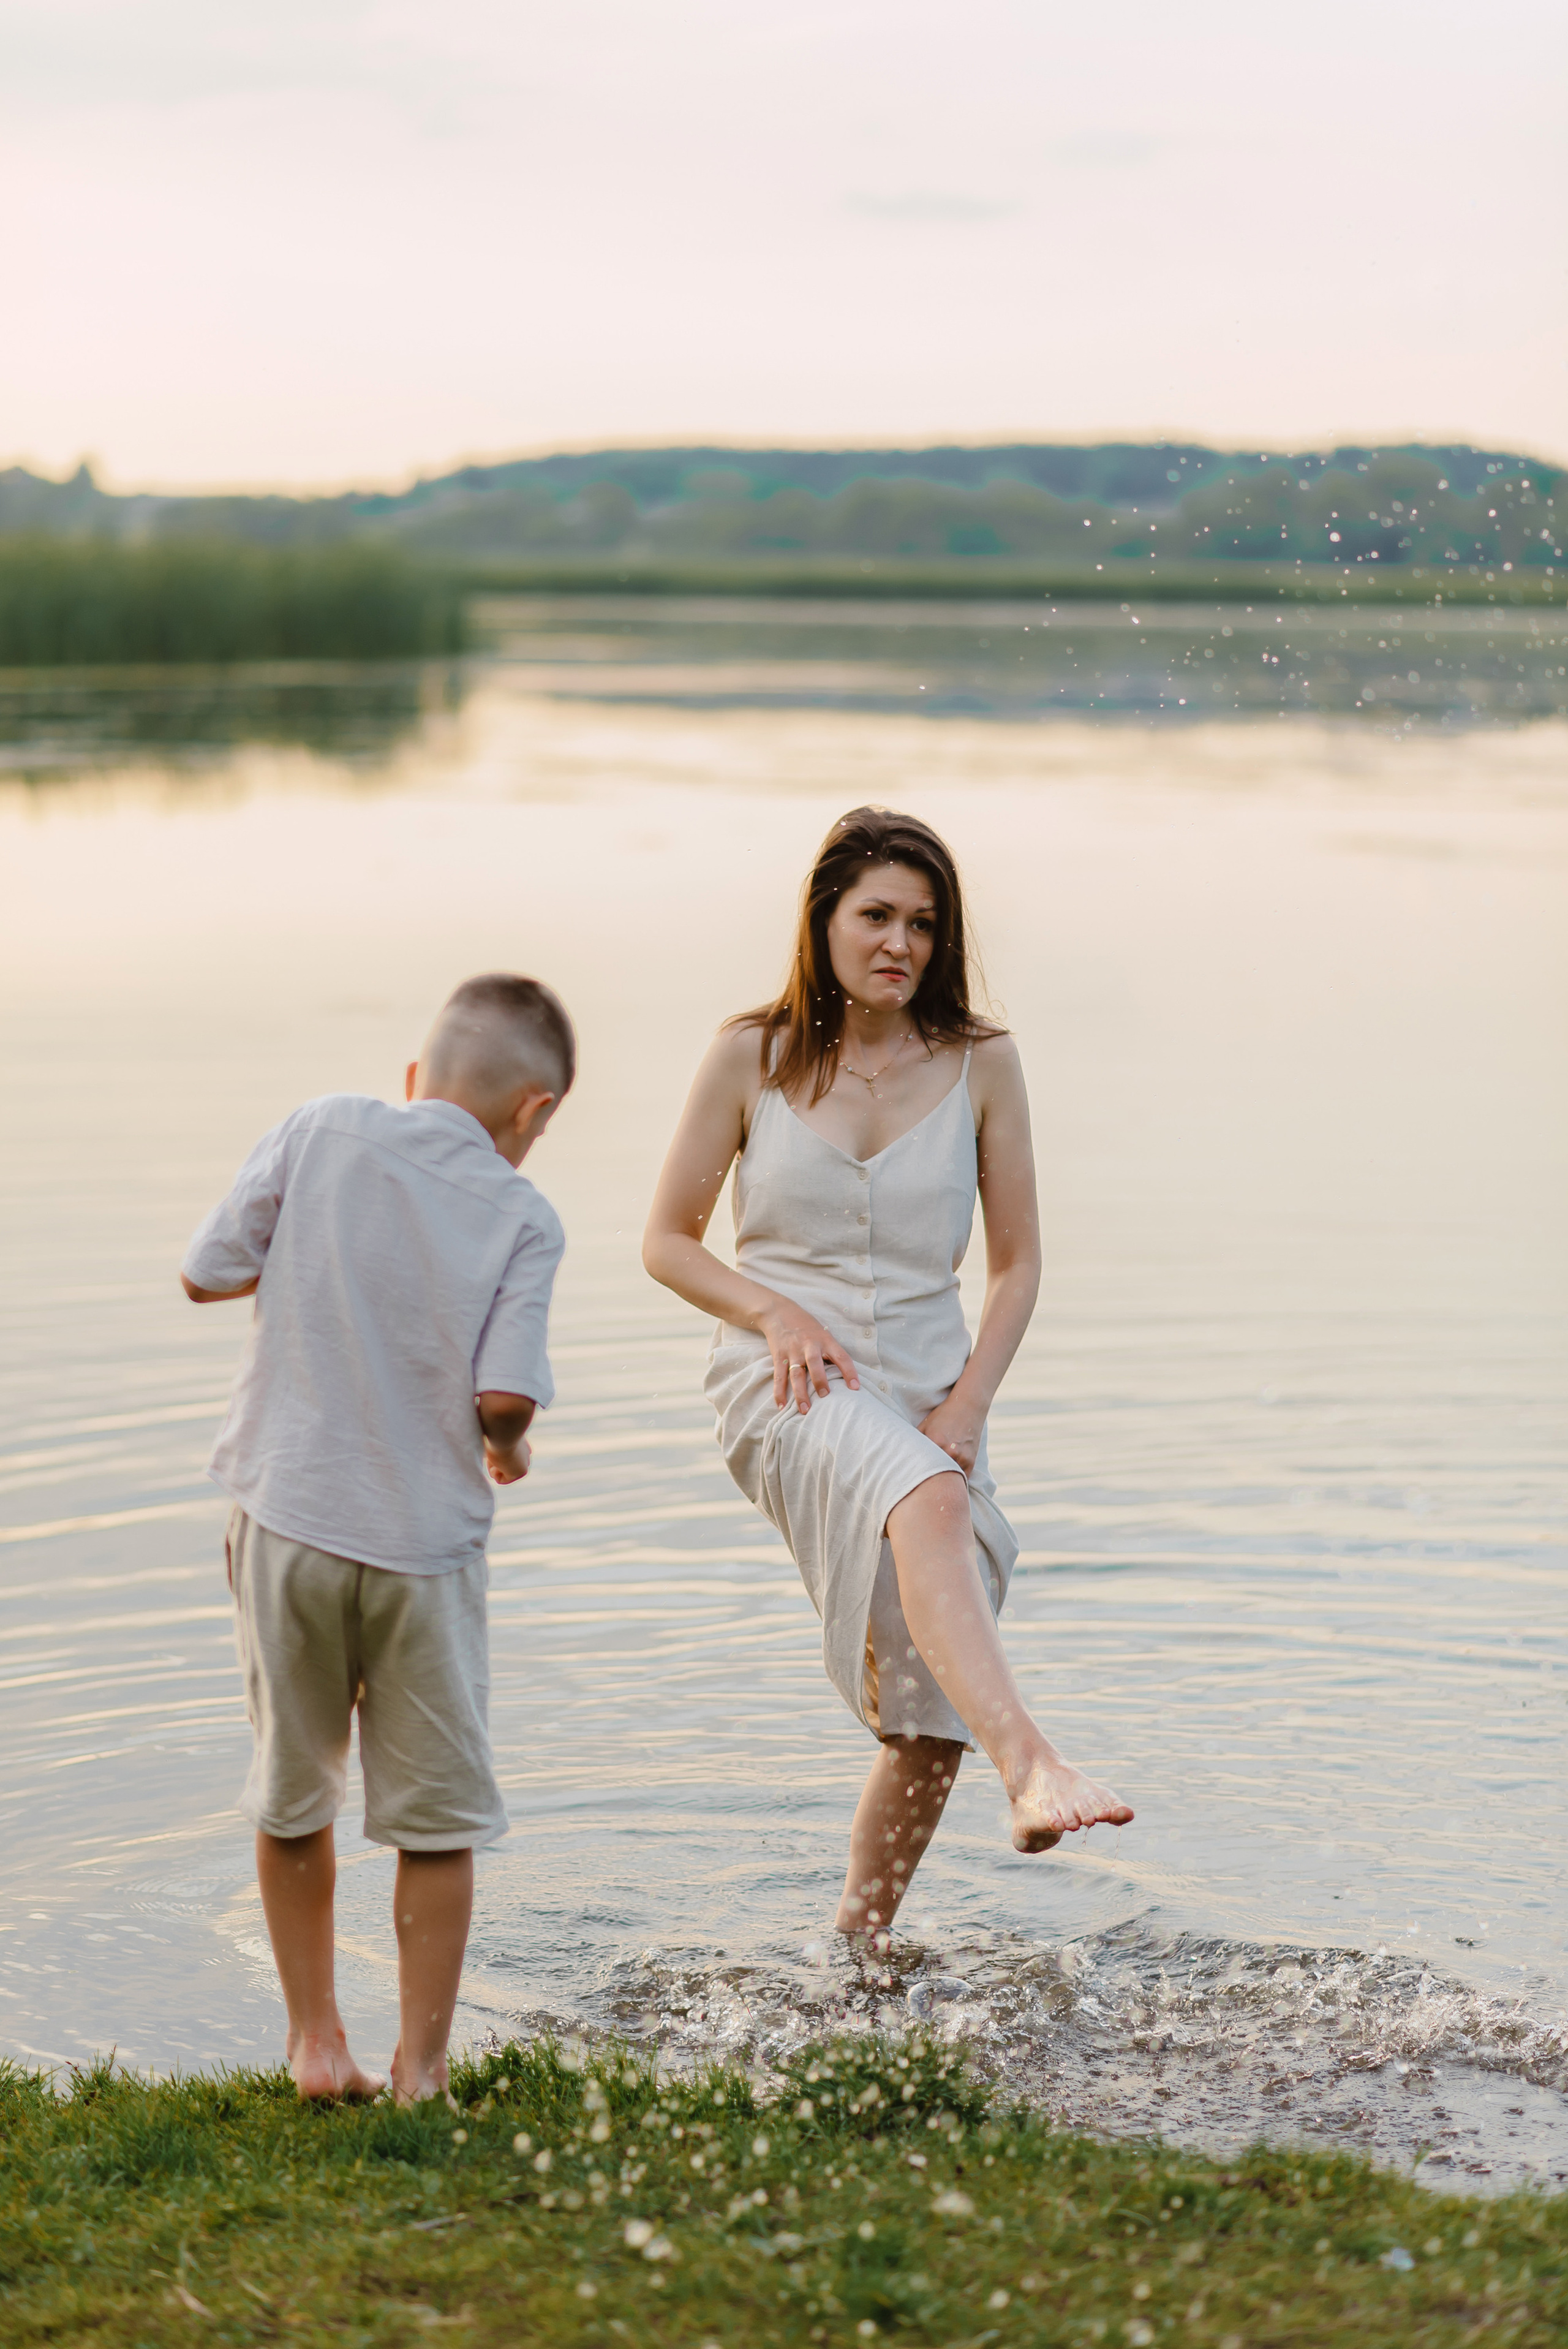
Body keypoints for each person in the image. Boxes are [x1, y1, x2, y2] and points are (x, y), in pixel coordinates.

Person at [644, 808, 1131, 1941]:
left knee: (926, 1700)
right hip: (787, 1385)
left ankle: (858, 1951)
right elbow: (667, 1239)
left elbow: (1017, 1267)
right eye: (875, 916)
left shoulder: (983, 1064)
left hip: (931, 1386)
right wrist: (772, 1311)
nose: (898, 943)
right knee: (931, 1499)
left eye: (922, 922)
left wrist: (967, 1403)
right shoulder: (750, 1055)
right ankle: (1035, 1762)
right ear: (823, 921)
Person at [181, 973, 573, 2101]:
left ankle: (313, 2042)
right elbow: (504, 1402)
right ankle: (423, 2067)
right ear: (533, 1113)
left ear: (416, 1079)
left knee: (292, 1786)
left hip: (285, 1519)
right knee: (434, 1819)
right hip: (422, 1552)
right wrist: (511, 1451)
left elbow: (207, 1270)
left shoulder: (322, 1126)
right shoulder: (524, 1216)